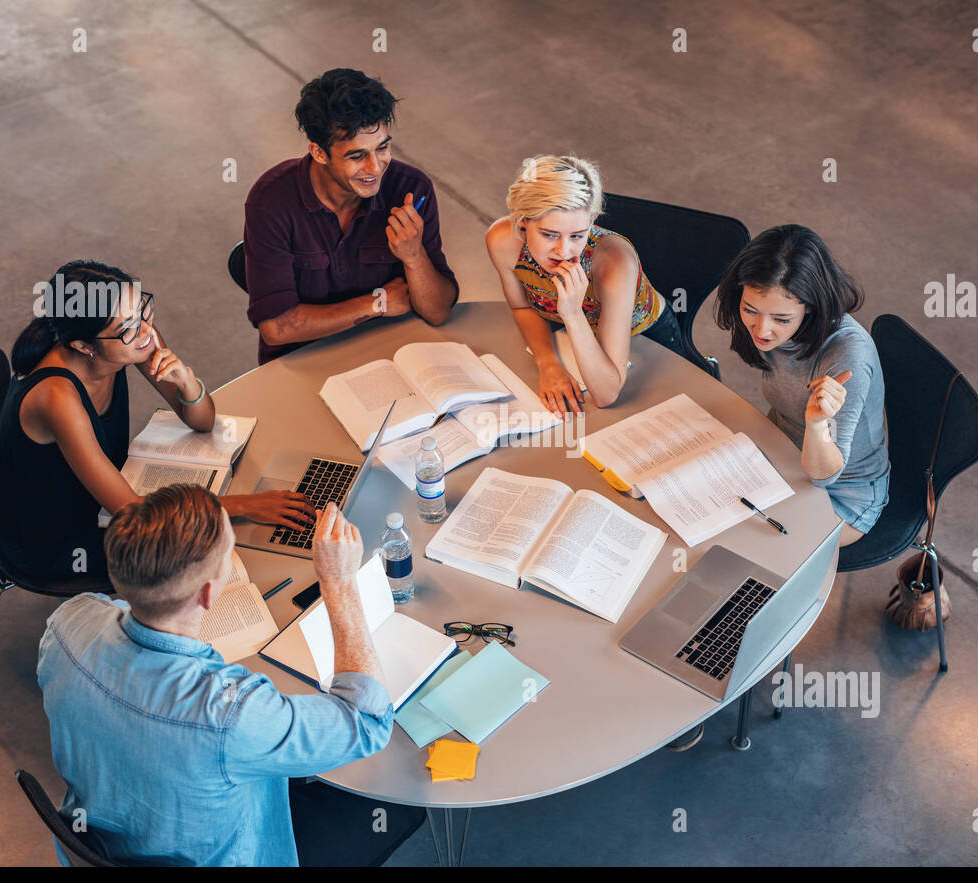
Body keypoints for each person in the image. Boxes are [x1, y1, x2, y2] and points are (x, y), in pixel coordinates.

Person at [37, 487, 424, 866]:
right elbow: (368, 721)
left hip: (105, 844)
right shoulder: (231, 716)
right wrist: (339, 583)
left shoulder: (66, 624)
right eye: (229, 551)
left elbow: (114, 613)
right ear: (208, 594)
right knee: (399, 803)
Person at [0, 259, 317, 582]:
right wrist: (245, 506)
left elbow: (203, 421)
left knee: (225, 521)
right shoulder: (57, 398)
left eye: (142, 309)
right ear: (83, 346)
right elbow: (131, 512)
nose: (146, 332)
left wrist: (187, 382)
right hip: (60, 534)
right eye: (126, 328)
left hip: (107, 492)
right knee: (208, 558)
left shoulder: (132, 337)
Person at [243, 68, 459, 365]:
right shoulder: (271, 202)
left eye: (382, 148)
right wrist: (378, 303)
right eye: (357, 156)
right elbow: (277, 328)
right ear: (319, 153)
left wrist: (414, 256)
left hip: (393, 356)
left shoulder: (410, 188)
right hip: (304, 362)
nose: (375, 168)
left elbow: (437, 311)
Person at [714, 225, 890, 547]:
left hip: (842, 495)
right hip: (779, 457)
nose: (762, 330)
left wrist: (817, 423)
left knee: (747, 543)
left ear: (810, 306)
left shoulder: (847, 354)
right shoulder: (765, 327)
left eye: (781, 319)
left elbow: (823, 475)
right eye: (750, 310)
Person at [485, 154, 685, 412]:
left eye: (578, 235)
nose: (564, 250)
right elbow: (522, 308)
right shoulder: (502, 242)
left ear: (591, 222)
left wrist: (571, 313)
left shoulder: (615, 263)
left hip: (645, 339)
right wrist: (548, 363)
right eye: (549, 234)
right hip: (574, 335)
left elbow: (606, 394)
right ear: (523, 221)